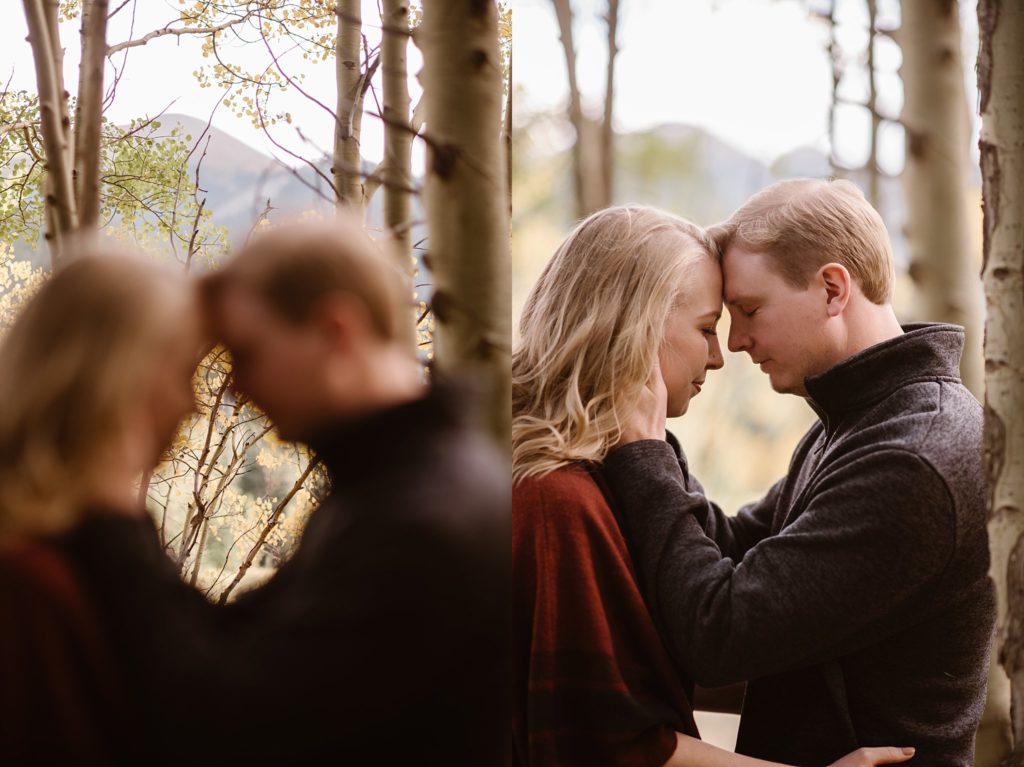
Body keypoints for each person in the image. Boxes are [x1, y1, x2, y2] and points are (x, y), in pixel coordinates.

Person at [60, 218, 510, 766]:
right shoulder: (393, 488)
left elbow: (224, 728)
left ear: (336, 331)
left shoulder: (421, 522)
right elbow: (233, 644)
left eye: (247, 354)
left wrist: (111, 515)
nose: (235, 389)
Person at [604, 180, 994, 766]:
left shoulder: (914, 457)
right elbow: (732, 545)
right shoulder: (860, 421)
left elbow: (720, 634)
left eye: (750, 310)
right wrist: (649, 434)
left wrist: (645, 454)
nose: (736, 342)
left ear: (833, 289)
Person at [512, 204, 914, 767]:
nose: (722, 355)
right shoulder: (556, 500)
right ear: (636, 329)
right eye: (707, 328)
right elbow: (608, 742)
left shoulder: (605, 479)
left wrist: (648, 455)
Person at [0, 252, 201, 765]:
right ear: (120, 376)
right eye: (183, 371)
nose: (193, 404)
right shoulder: (27, 583)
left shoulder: (77, 546)